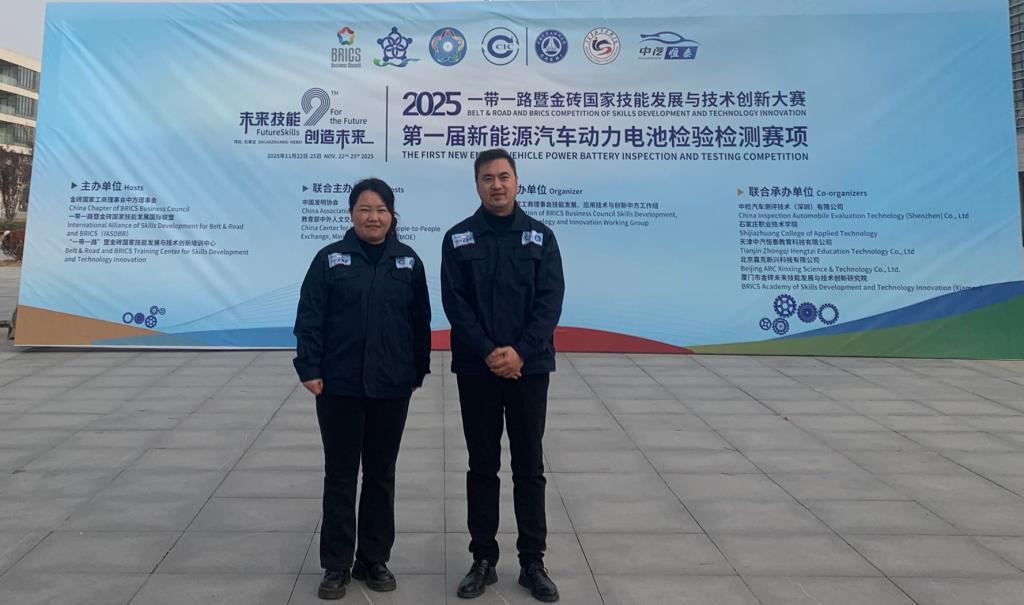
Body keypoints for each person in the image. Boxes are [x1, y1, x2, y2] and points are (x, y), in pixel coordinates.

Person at [293, 177, 431, 600]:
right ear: (351, 214)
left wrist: (417, 370)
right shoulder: (329, 260)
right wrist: (309, 368)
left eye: (381, 209)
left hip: (392, 386)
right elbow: (310, 316)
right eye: (365, 209)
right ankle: (336, 564)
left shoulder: (408, 262)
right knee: (340, 475)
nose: (373, 217)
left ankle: (374, 559)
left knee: (381, 474)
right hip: (340, 386)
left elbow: (420, 321)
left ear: (392, 215)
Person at [441, 148, 565, 602]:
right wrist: (490, 352)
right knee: (482, 464)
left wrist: (520, 353)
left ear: (517, 181)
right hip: (477, 369)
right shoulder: (458, 239)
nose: (497, 185)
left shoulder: (541, 237)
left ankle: (533, 562)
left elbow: (549, 301)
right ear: (476, 185)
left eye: (504, 176)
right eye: (488, 178)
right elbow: (456, 304)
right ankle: (483, 559)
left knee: (529, 466)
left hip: (529, 369)